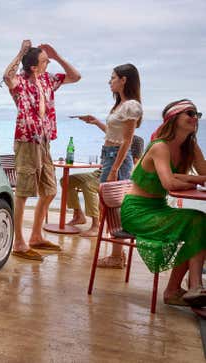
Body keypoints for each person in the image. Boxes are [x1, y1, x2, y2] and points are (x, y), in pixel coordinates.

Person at [121, 99, 206, 307]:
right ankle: (189, 287)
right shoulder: (160, 146)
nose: (195, 118)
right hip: (137, 212)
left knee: (199, 223)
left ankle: (184, 288)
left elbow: (204, 174)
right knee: (197, 221)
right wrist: (194, 179)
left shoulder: (190, 147)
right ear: (174, 118)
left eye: (197, 114)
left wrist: (187, 177)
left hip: (159, 208)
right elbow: (169, 182)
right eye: (190, 113)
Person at [4, 40, 81, 261]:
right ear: (33, 67)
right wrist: (21, 52)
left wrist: (57, 56)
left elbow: (75, 77)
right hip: (27, 142)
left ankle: (36, 236)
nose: (48, 63)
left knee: (50, 190)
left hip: (45, 141)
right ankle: (19, 243)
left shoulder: (48, 80)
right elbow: (6, 76)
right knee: (24, 192)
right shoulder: (20, 82)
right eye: (45, 61)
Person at [77, 64, 142, 267]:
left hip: (116, 159)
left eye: (113, 78)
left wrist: (114, 169)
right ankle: (117, 254)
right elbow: (114, 135)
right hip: (109, 156)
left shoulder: (131, 105)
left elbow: (127, 141)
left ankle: (116, 255)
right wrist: (97, 122)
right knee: (109, 205)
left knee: (113, 205)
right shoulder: (120, 105)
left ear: (124, 80)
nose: (110, 81)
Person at [63, 135, 144, 237]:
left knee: (89, 186)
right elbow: (104, 160)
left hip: (116, 176)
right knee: (66, 180)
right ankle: (78, 215)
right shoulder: (113, 136)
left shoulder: (136, 140)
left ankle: (96, 226)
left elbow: (136, 162)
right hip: (100, 171)